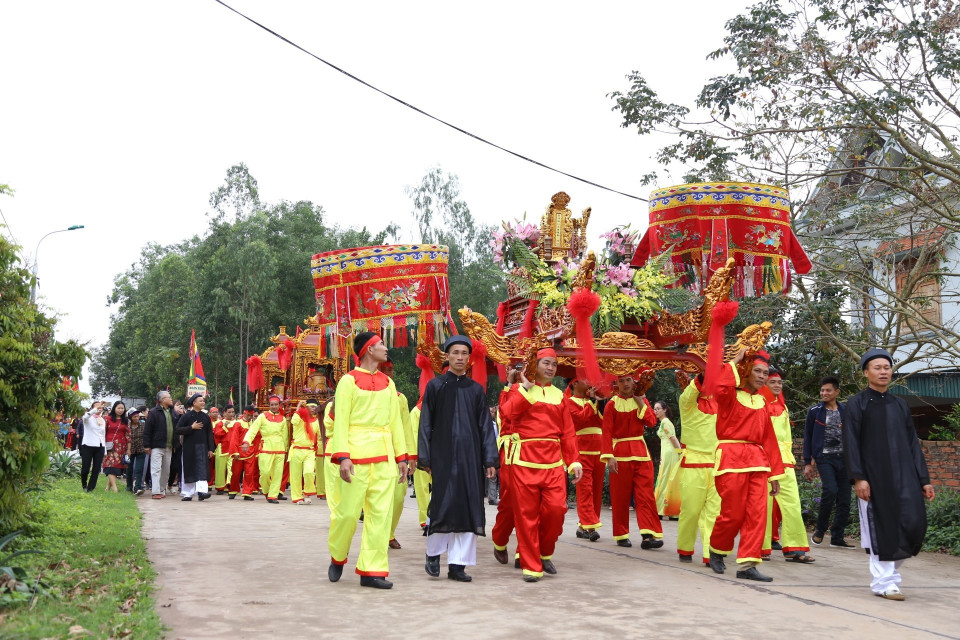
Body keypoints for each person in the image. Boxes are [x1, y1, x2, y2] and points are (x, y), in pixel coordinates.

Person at [845, 348, 935, 601]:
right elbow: (850, 442)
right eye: (877, 367)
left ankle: (889, 576)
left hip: (905, 474)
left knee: (913, 523)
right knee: (880, 527)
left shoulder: (900, 405)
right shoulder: (857, 404)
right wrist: (858, 477)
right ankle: (884, 582)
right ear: (866, 373)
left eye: (887, 367)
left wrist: (923, 479)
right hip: (874, 476)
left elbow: (911, 444)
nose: (883, 371)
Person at [327, 332, 409, 590]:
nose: (387, 348)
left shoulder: (388, 383)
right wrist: (343, 457)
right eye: (382, 344)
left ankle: (371, 570)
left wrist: (401, 457)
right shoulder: (347, 381)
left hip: (384, 457)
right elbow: (340, 421)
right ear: (369, 350)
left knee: (380, 516)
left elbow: (396, 422)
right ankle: (338, 555)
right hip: (355, 456)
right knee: (347, 514)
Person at [418, 336, 500, 582]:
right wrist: (426, 457)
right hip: (442, 455)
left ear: (469, 358)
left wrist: (489, 460)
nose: (460, 357)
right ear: (447, 356)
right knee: (442, 505)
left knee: (468, 506)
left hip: (470, 456)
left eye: (465, 353)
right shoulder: (435, 386)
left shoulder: (476, 390)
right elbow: (426, 424)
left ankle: (458, 565)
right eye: (456, 353)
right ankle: (433, 554)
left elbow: (485, 426)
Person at [499, 349, 583, 582]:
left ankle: (544, 553)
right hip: (524, 460)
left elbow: (567, 431)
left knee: (556, 511)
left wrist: (574, 460)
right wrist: (524, 389)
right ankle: (531, 566)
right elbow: (506, 414)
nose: (551, 368)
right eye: (546, 363)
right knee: (526, 516)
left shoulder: (559, 396)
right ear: (534, 365)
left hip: (553, 461)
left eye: (554, 365)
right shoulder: (520, 389)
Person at [708, 350, 786, 582]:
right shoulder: (730, 395)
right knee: (733, 514)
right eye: (757, 371)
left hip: (758, 461)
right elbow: (720, 388)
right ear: (745, 371)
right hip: (731, 458)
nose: (762, 376)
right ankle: (717, 549)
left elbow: (769, 439)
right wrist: (733, 361)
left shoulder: (762, 401)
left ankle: (747, 565)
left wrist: (774, 475)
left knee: (757, 514)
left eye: (765, 373)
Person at [601, 374, 663, 550]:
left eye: (628, 380)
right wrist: (609, 456)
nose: (625, 384)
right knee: (620, 496)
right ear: (616, 384)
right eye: (621, 381)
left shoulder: (642, 400)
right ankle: (621, 534)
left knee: (646, 496)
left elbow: (651, 422)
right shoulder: (611, 404)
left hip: (641, 453)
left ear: (634, 381)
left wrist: (641, 401)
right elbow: (606, 432)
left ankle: (648, 535)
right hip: (619, 454)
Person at [761, 370, 814, 563]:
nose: (777, 385)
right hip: (764, 461)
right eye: (772, 382)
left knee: (792, 504)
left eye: (780, 383)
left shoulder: (783, 407)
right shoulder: (758, 405)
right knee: (763, 506)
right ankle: (761, 546)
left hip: (785, 461)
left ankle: (794, 548)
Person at [803, 376, 854, 548]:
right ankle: (820, 529)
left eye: (828, 390)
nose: (824, 393)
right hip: (824, 458)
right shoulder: (815, 411)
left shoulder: (846, 411)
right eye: (822, 390)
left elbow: (855, 434)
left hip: (845, 459)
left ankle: (837, 537)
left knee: (845, 499)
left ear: (837, 392)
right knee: (830, 490)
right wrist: (807, 463)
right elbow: (808, 437)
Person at [675, 374, 721, 565]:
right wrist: (707, 369)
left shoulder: (720, 403)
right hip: (693, 463)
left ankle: (710, 553)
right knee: (691, 511)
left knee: (714, 512)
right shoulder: (686, 403)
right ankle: (685, 548)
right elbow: (691, 391)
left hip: (717, 463)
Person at [380, 357, 416, 549]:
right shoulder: (364, 392)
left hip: (396, 455)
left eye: (390, 370)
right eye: (384, 369)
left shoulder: (400, 397)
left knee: (399, 496)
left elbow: (406, 428)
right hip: (373, 453)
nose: (388, 373)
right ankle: (378, 535)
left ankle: (389, 533)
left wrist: (410, 455)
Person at [563, 378, 605, 541]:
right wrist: (593, 402)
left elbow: (602, 422)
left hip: (598, 451)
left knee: (596, 490)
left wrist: (600, 402)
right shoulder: (568, 402)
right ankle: (590, 526)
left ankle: (584, 526)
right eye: (584, 380)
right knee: (585, 489)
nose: (589, 382)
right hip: (581, 451)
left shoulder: (592, 401)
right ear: (574, 384)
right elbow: (581, 419)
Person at [491, 371, 520, 566]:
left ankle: (524, 551)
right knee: (511, 501)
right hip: (512, 452)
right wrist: (510, 383)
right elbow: (505, 413)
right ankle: (500, 539)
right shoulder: (509, 393)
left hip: (540, 453)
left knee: (536, 504)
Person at [242, 395, 289, 503]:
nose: (274, 407)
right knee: (265, 473)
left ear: (279, 405)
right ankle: (267, 491)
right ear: (269, 405)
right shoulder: (262, 416)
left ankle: (273, 495)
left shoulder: (282, 419)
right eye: (272, 405)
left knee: (277, 474)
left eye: (276, 404)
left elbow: (285, 435)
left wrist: (286, 449)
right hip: (266, 446)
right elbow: (253, 430)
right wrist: (246, 441)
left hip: (280, 448)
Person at [175, 394, 216, 501]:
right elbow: (178, 430)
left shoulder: (206, 417)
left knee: (202, 469)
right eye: (200, 401)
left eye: (203, 401)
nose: (203, 403)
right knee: (189, 469)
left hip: (202, 447)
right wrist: (191, 427)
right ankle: (188, 493)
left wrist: (211, 449)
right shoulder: (186, 416)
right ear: (194, 403)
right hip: (189, 447)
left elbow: (209, 434)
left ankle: (202, 492)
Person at [144, 391, 177, 500]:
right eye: (169, 397)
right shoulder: (153, 412)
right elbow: (147, 430)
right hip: (157, 445)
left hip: (169, 446)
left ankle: (162, 489)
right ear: (163, 400)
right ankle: (155, 491)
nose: (171, 399)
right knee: (156, 469)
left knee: (166, 469)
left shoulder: (172, 411)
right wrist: (147, 445)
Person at [654, 400, 682, 518]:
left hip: (670, 453)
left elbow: (673, 438)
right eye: (654, 409)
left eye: (658, 408)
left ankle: (661, 510)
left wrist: (680, 452)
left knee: (666, 478)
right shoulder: (663, 422)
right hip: (666, 452)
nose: (655, 411)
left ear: (664, 410)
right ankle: (670, 511)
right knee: (667, 478)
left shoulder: (665, 422)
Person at [289, 399, 320, 504]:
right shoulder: (299, 419)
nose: (314, 409)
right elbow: (293, 421)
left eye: (315, 407)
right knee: (295, 475)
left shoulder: (317, 421)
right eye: (312, 406)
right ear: (306, 407)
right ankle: (297, 497)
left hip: (309, 451)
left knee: (309, 472)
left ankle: (307, 493)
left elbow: (320, 436)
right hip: (296, 449)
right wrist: (298, 406)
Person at [227, 405, 259, 500]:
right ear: (244, 413)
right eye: (248, 415)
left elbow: (257, 438)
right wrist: (235, 452)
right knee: (236, 473)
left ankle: (247, 492)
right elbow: (234, 439)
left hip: (251, 452)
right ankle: (233, 490)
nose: (249, 417)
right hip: (239, 452)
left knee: (249, 473)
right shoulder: (238, 423)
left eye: (251, 415)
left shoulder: (254, 424)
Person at [408, 397, 430, 529]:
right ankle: (425, 520)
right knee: (422, 490)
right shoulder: (416, 412)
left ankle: (434, 516)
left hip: (437, 455)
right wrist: (415, 456)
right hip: (422, 456)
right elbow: (413, 435)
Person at [101, 401, 129, 493]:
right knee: (110, 465)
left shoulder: (126, 421)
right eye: (118, 408)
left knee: (115, 467)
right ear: (114, 409)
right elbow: (102, 432)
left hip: (121, 447)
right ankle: (115, 488)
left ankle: (107, 488)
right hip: (109, 446)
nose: (120, 410)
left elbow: (128, 435)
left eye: (122, 408)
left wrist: (128, 449)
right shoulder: (107, 419)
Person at [79, 401, 106, 492]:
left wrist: (104, 450)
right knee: (86, 468)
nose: (99, 409)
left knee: (96, 468)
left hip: (99, 446)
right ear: (92, 408)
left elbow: (103, 435)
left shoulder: (102, 420)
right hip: (88, 445)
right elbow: (86, 416)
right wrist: (95, 409)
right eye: (97, 407)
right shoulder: (88, 419)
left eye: (100, 408)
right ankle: (84, 484)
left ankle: (91, 487)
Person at [212, 405, 239, 495]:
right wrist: (225, 428)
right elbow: (216, 434)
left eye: (232, 412)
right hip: (222, 448)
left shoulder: (237, 423)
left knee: (232, 469)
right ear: (224, 413)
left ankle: (230, 485)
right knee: (220, 469)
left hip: (233, 449)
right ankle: (220, 487)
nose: (231, 414)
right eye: (229, 412)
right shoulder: (220, 423)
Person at [126, 408, 147, 495]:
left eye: (137, 416)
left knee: (139, 469)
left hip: (141, 450)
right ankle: (129, 487)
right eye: (134, 417)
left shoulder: (143, 425)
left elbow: (146, 435)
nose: (136, 418)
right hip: (130, 451)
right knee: (129, 469)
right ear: (130, 417)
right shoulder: (127, 426)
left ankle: (138, 487)